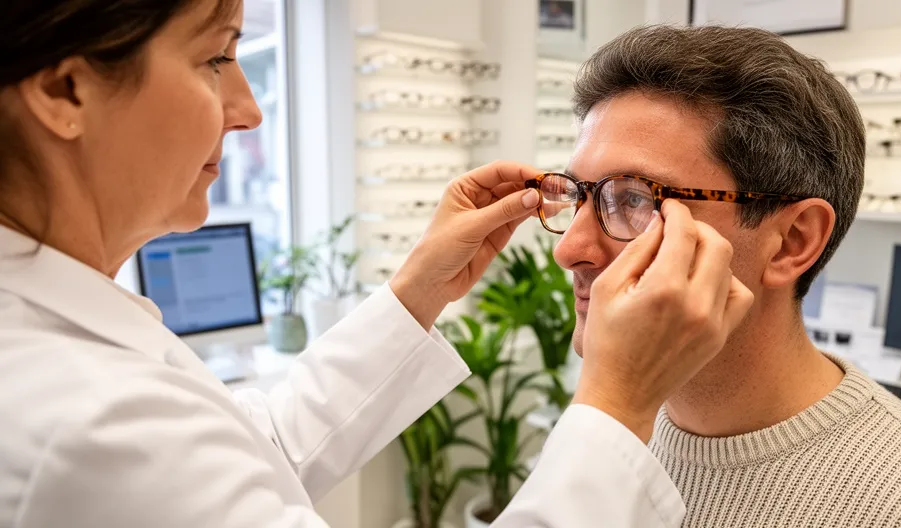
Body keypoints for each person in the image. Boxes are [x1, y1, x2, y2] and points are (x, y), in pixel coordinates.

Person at [0, 2, 756, 527]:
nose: (248, 107)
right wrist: (617, 406)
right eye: (214, 57)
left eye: (630, 197)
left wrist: (416, 293)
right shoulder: (83, 417)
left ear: (793, 239)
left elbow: (252, 451)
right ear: (65, 90)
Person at [533, 24, 901, 527]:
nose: (570, 249)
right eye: (580, 194)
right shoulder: (607, 429)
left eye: (633, 198)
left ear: (793, 241)